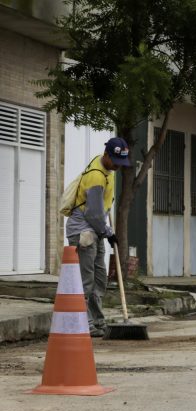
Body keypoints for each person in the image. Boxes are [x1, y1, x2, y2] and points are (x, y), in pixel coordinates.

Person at [65, 137, 130, 337]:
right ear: (106, 155)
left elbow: (99, 209)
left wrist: (104, 229)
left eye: (121, 163)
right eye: (116, 162)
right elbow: (93, 213)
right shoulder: (95, 176)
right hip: (84, 231)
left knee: (100, 277)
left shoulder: (107, 169)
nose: (118, 167)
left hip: (96, 229)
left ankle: (98, 320)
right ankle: (85, 322)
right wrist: (109, 232)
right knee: (86, 279)